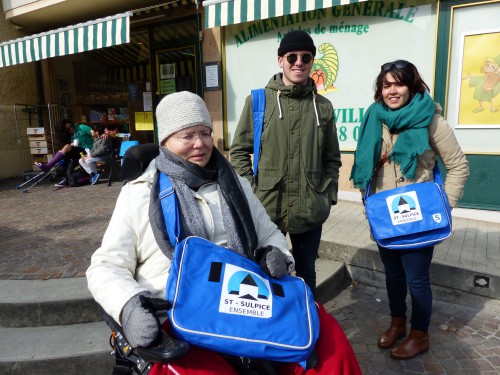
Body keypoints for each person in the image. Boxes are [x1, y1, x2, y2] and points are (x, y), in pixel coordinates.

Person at [87, 91, 361, 374]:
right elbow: (106, 266)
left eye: (205, 133)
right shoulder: (140, 194)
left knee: (327, 338)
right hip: (180, 309)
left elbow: (269, 234)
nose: (200, 144)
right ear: (165, 141)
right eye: (187, 135)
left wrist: (275, 252)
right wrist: (128, 305)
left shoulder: (236, 184)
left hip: (243, 299)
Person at [350, 60, 469, 360]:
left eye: (398, 84)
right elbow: (367, 164)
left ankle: (420, 334)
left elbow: (458, 167)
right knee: (392, 276)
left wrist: (444, 206)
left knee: (417, 280)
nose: (392, 91)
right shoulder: (373, 118)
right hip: (384, 217)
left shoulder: (431, 121)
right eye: (386, 84)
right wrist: (368, 203)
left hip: (418, 219)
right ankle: (397, 323)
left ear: (412, 86)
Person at [230, 30, 342, 296]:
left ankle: (308, 328)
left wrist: (327, 195)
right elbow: (238, 153)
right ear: (281, 60)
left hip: (310, 209)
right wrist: (254, 194)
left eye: (306, 57)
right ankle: (275, 331)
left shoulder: (323, 106)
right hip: (268, 211)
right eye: (292, 56)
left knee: (307, 275)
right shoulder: (258, 101)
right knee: (266, 274)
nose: (299, 62)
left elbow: (332, 158)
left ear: (312, 61)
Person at [37, 120, 94, 187]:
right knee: (65, 155)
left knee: (66, 148)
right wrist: (71, 145)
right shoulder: (69, 135)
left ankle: (49, 166)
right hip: (81, 153)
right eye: (68, 129)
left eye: (71, 126)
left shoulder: (82, 127)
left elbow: (94, 133)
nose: (71, 128)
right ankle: (68, 178)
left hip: (89, 150)